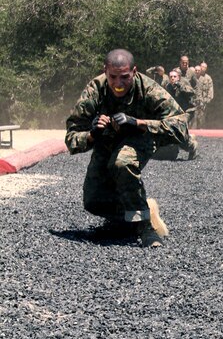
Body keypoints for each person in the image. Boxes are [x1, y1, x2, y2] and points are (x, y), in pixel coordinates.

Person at [65, 49, 191, 248]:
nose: (118, 84)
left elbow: (181, 126)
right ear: (105, 71)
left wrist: (138, 123)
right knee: (93, 202)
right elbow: (71, 138)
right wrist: (91, 134)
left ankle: (145, 227)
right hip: (106, 141)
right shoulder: (94, 90)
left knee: (122, 163)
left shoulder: (149, 89)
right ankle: (137, 212)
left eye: (124, 77)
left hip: (140, 138)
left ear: (134, 71)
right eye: (113, 77)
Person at [192, 61, 214, 128]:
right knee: (193, 119)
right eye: (202, 66)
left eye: (205, 67)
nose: (203, 68)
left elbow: (210, 90)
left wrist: (207, 100)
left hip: (203, 102)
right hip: (194, 102)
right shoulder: (194, 76)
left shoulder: (208, 78)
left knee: (202, 119)